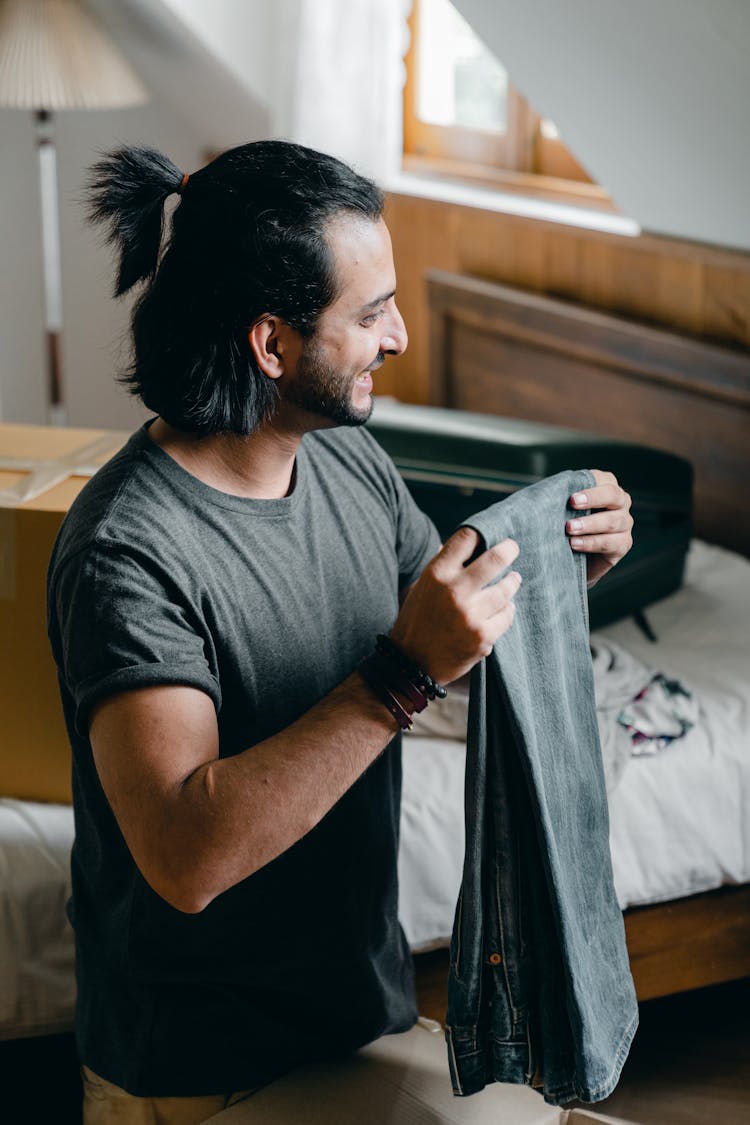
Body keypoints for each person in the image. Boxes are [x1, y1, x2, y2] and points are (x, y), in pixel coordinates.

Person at [47, 140, 633, 1122]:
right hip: (201, 1071)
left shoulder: (345, 465)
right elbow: (184, 858)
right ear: (271, 344)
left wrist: (558, 566)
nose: (400, 336)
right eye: (369, 315)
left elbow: (445, 626)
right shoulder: (128, 554)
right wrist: (396, 680)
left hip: (360, 1017)